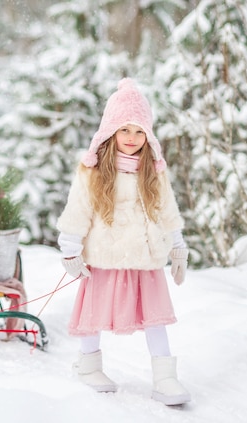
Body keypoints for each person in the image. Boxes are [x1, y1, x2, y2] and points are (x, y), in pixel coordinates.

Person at [56, 78, 191, 406]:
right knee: (94, 312)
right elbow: (78, 210)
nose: (131, 139)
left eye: (139, 131)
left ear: (148, 136)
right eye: (124, 131)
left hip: (146, 258)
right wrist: (71, 249)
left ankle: (165, 377)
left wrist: (178, 247)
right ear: (110, 132)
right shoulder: (93, 171)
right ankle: (88, 366)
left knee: (155, 317)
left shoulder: (154, 172)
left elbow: (167, 212)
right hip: (105, 256)